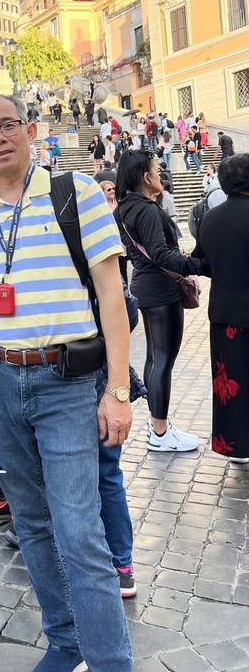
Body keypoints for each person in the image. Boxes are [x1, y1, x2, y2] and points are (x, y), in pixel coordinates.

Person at [0, 93, 135, 672]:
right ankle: (65, 641)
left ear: (30, 131)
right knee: (30, 523)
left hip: (64, 384)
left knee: (81, 534)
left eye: (8, 125)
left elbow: (111, 298)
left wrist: (117, 389)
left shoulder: (74, 193)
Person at [116, 151, 206, 453]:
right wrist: (199, 266)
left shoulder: (125, 208)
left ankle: (159, 427)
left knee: (156, 359)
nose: (160, 173)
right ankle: (160, 430)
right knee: (162, 360)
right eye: (157, 169)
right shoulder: (148, 211)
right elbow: (161, 254)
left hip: (147, 288)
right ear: (145, 177)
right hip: (161, 289)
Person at [195, 154, 249, 463]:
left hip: (226, 313)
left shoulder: (212, 218)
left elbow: (204, 263)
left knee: (232, 380)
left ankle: (237, 447)